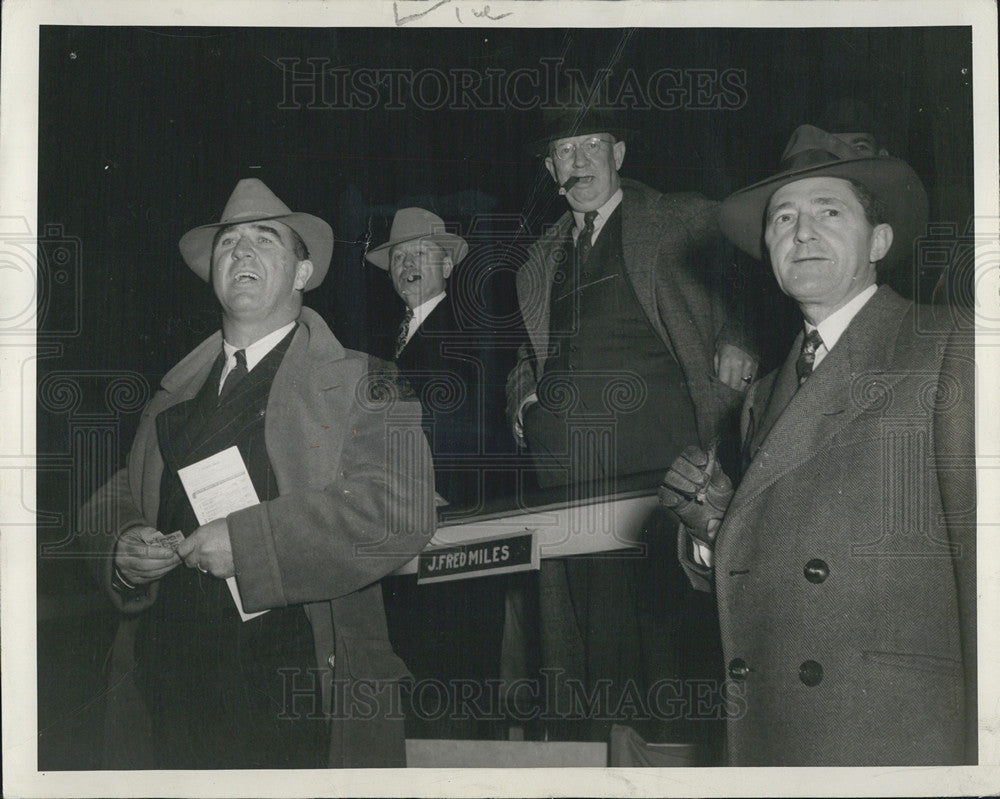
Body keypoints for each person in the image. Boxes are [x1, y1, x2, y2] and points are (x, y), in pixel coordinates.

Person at [81, 178, 436, 769]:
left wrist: (248, 545)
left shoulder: (366, 380)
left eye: (264, 239)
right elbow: (122, 489)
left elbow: (397, 508)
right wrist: (122, 545)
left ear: (302, 273)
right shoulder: (171, 398)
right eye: (228, 244)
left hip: (297, 688)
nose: (240, 252)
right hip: (169, 685)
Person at [660, 125, 976, 766]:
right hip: (776, 736)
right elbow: (764, 573)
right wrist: (711, 527)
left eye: (829, 212)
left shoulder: (947, 346)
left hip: (893, 734)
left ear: (879, 241)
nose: (801, 232)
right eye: (783, 219)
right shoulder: (763, 393)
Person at [504, 103, 758, 741]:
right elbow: (525, 352)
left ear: (620, 154)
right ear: (549, 168)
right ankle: (593, 763)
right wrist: (522, 399)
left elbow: (759, 276)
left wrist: (738, 334)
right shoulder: (540, 257)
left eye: (593, 145)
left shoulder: (681, 219)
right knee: (585, 635)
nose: (580, 161)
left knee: (666, 622)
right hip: (566, 468)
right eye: (565, 150)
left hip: (660, 454)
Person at [366, 207, 506, 738]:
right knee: (413, 677)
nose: (406, 264)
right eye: (398, 256)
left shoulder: (470, 331)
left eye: (420, 253)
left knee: (458, 687)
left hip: (459, 530)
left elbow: (472, 434)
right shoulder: (385, 348)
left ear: (447, 264)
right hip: (400, 529)